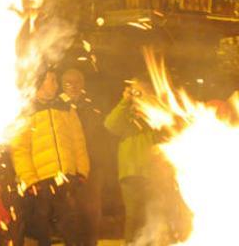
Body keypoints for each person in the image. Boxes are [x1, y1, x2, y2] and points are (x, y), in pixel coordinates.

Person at [104, 79, 189, 245]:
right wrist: (126, 101)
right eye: (135, 91)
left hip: (156, 174)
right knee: (134, 217)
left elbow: (174, 132)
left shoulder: (157, 114)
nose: (139, 95)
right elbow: (110, 125)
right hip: (132, 173)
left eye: (142, 91)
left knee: (157, 215)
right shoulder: (126, 114)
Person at [10, 69, 89, 246]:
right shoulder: (26, 112)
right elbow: (19, 149)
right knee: (41, 231)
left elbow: (78, 141)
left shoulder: (65, 108)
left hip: (66, 177)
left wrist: (82, 171)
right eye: (51, 80)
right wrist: (30, 180)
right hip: (40, 182)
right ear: (39, 83)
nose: (56, 84)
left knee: (71, 228)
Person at [59, 68, 107, 246]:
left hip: (92, 168)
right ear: (62, 85)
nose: (73, 86)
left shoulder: (92, 106)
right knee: (69, 214)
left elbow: (101, 135)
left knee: (91, 213)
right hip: (68, 168)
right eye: (68, 83)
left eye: (77, 82)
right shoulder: (57, 107)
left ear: (83, 84)